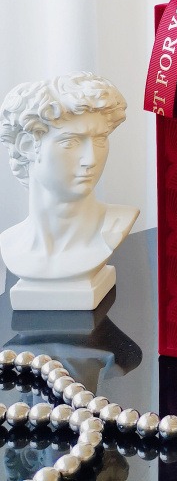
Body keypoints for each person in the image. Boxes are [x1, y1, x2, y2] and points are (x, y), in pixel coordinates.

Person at [0, 72, 139, 309]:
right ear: (27, 146)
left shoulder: (116, 226)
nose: (90, 159)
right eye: (70, 142)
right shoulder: (12, 244)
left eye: (100, 139)